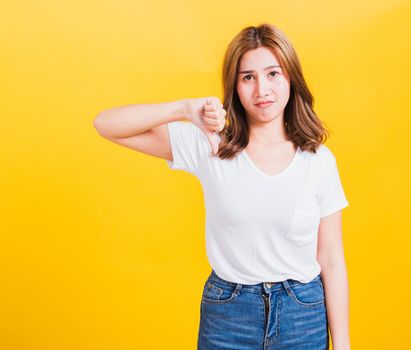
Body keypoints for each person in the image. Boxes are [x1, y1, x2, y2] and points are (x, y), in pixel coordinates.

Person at [94, 23, 350, 350]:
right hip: (229, 313)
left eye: (273, 73)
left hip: (302, 313)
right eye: (248, 77)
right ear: (234, 86)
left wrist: (342, 343)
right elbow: (107, 124)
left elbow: (331, 259)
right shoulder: (211, 145)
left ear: (291, 78)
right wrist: (185, 109)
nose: (262, 90)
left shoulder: (319, 161)